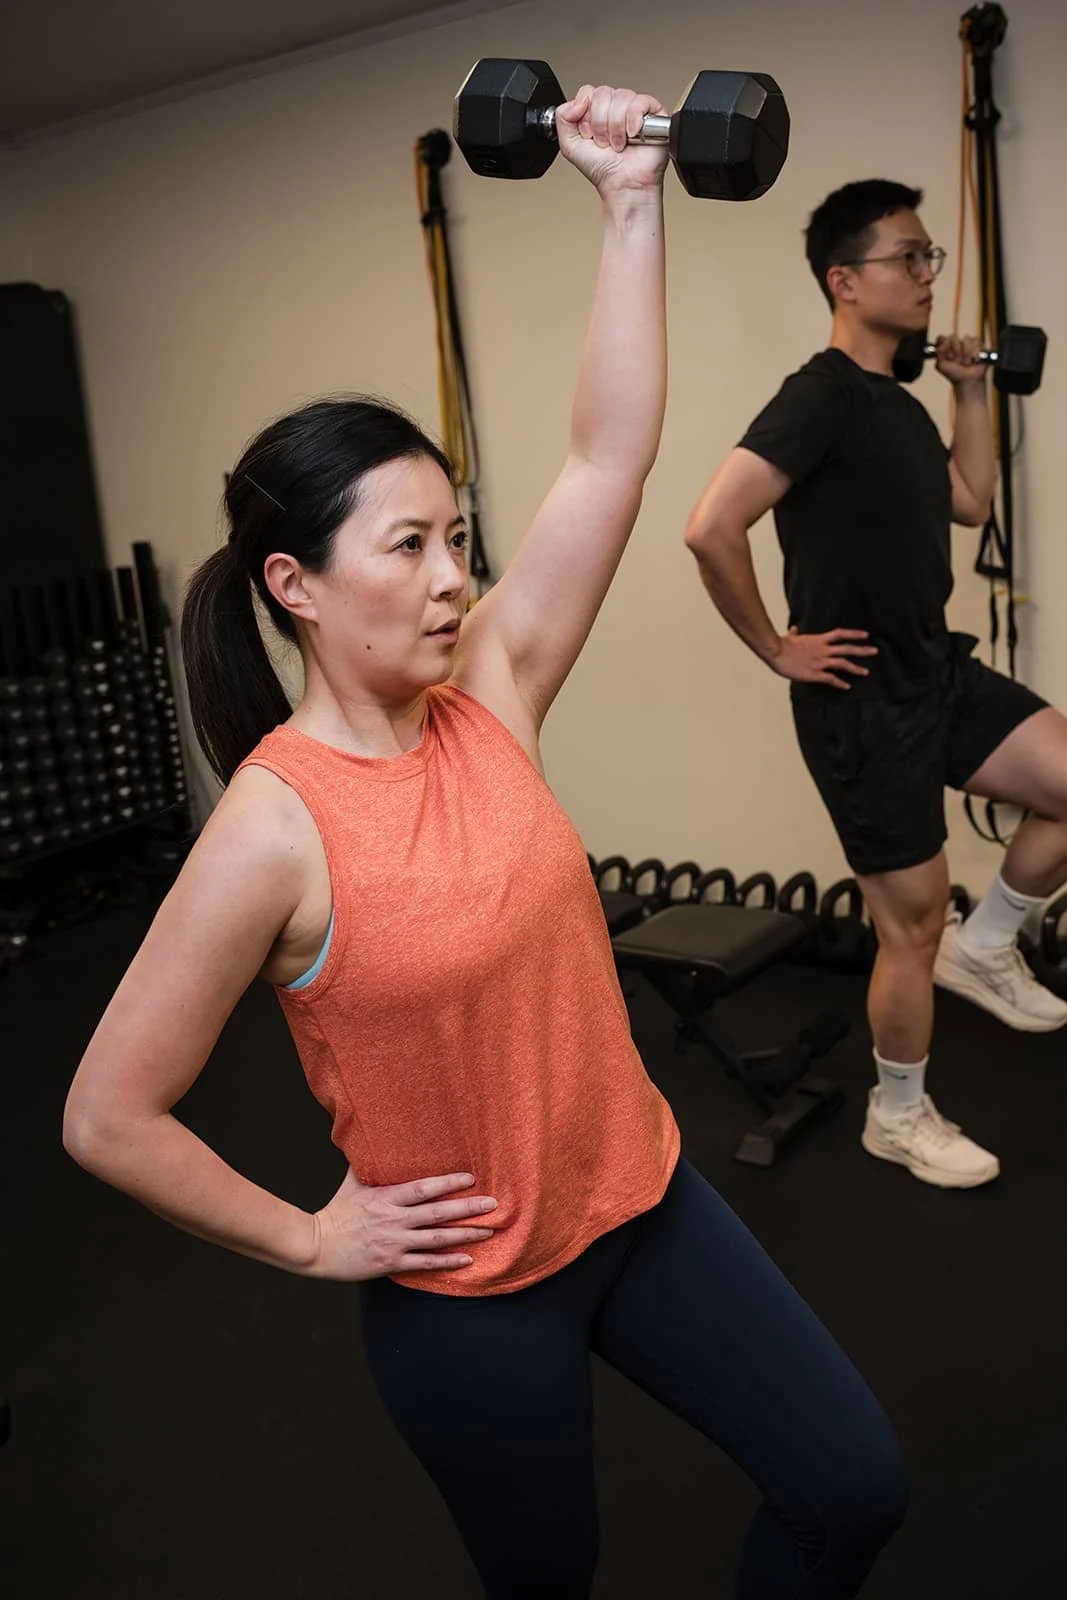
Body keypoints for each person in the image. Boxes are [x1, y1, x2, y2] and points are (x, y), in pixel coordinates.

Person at [63, 97, 906, 1596]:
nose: (457, 578)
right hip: (465, 1300)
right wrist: (312, 1242)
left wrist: (628, 201)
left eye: (458, 537)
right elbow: (109, 1115)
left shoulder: (492, 695)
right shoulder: (269, 830)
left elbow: (605, 461)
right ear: (294, 585)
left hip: (645, 1205)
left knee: (850, 1489)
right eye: (409, 547)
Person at [684, 178, 1067, 1193]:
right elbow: (708, 525)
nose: (926, 276)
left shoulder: (892, 404)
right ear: (842, 280)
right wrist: (774, 644)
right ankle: (896, 1113)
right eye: (908, 258)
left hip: (929, 669)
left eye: (928, 257)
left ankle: (986, 948)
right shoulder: (816, 394)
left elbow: (969, 498)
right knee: (909, 920)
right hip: (856, 700)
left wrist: (967, 388)